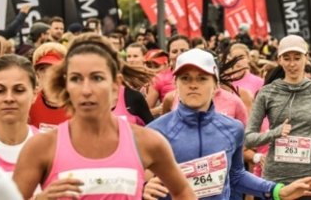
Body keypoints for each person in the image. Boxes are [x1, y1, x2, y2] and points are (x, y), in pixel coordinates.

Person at [12, 34, 197, 200]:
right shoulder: (41, 147)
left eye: (97, 78)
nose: (86, 90)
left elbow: (183, 192)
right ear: (65, 85)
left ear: (116, 85)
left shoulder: (146, 142)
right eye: (76, 79)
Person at [145, 48, 311, 200]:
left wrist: (278, 191)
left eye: (202, 78)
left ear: (215, 85)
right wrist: (143, 187)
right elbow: (127, 178)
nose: (193, 85)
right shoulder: (154, 132)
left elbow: (236, 175)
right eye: (185, 78)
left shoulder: (233, 129)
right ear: (176, 84)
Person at [245, 35, 311, 200]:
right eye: (287, 58)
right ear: (279, 60)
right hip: (275, 179)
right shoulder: (267, 93)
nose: (292, 64)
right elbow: (248, 139)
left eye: (297, 58)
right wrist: (275, 133)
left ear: (306, 58)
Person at [29, 43, 69, 131]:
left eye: (53, 68)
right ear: (37, 74)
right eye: (42, 69)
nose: (48, 74)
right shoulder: (29, 103)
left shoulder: (77, 105)